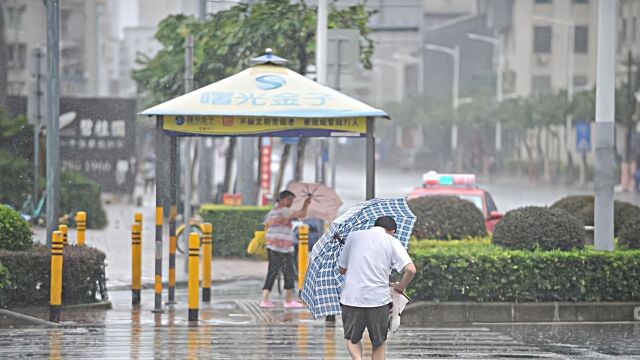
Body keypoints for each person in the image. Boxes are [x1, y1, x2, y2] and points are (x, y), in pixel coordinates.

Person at [337, 216, 417, 360]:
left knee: (352, 339)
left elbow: (342, 269)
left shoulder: (353, 237)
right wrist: (400, 287)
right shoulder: (391, 241)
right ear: (392, 230)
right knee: (378, 342)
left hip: (352, 298)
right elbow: (411, 269)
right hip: (378, 300)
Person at [259, 190, 310, 308]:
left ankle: (266, 299)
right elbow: (302, 214)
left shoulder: (273, 211)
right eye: (288, 200)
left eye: (292, 200)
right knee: (289, 273)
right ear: (281, 200)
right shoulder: (284, 210)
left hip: (273, 246)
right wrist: (306, 204)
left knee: (274, 272)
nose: (290, 202)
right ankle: (287, 300)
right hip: (282, 248)